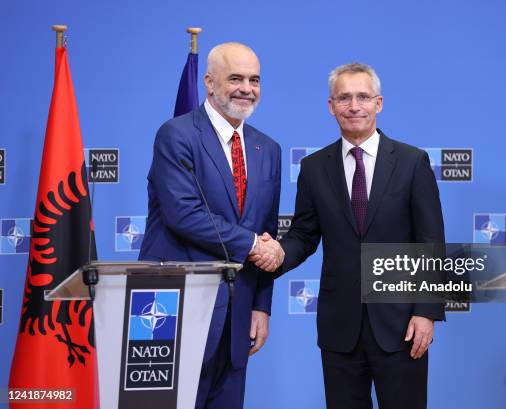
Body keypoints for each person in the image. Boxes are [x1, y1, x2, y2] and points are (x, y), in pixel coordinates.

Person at [252, 62, 445, 409]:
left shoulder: (412, 161)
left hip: (401, 325)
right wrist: (278, 254)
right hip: (340, 328)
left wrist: (426, 312)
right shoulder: (313, 167)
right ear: (331, 106)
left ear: (379, 103)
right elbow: (304, 234)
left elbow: (430, 242)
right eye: (344, 98)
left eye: (362, 97)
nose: (354, 106)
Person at [139, 42, 281, 409]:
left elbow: (267, 231)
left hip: (238, 317)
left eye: (254, 80)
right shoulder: (176, 135)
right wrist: (253, 245)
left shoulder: (269, 149)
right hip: (176, 311)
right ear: (209, 82)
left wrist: (261, 306)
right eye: (235, 78)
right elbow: (183, 214)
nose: (246, 89)